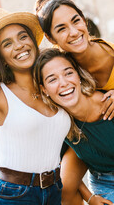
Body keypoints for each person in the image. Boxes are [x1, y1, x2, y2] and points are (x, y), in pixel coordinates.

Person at [0, 8, 71, 205]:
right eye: (7, 43)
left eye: (23, 37)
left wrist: (88, 194)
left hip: (54, 191)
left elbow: (56, 150)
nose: (19, 46)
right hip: (10, 196)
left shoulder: (53, 85)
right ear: (1, 56)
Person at [33, 48, 114, 204]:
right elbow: (61, 176)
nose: (64, 83)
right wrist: (90, 198)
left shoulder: (108, 103)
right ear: (44, 90)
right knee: (62, 189)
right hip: (103, 181)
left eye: (68, 73)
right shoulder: (58, 121)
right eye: (52, 79)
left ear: (78, 75)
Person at [35, 0, 114, 121]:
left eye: (76, 21)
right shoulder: (57, 62)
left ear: (83, 20)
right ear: (50, 38)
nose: (74, 32)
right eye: (61, 29)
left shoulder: (110, 54)